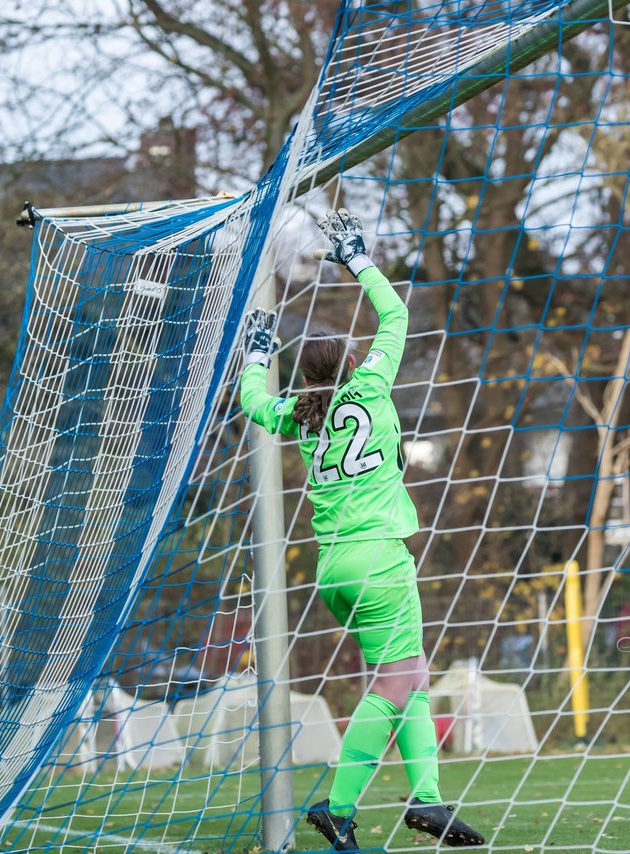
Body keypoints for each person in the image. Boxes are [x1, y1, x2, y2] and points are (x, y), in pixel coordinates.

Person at [240, 209, 485, 852]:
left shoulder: (301, 411)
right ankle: (340, 809)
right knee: (395, 684)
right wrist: (356, 256)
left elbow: (253, 403)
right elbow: (396, 317)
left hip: (333, 570)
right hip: (379, 562)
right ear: (350, 361)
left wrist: (255, 354)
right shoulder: (371, 387)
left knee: (412, 677)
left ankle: (428, 800)